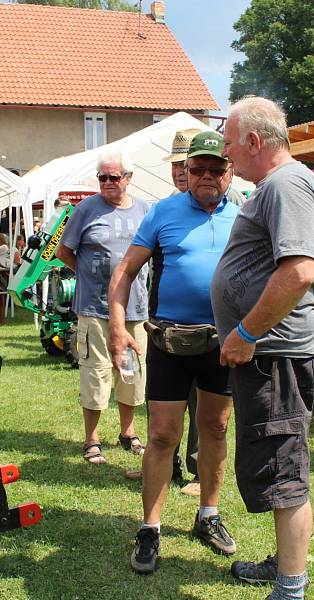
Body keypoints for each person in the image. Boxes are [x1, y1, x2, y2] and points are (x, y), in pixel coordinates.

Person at [211, 97, 314, 600]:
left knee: (285, 471)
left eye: (230, 143)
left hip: (275, 353)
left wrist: (247, 332)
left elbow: (299, 271)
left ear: (255, 141)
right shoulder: (280, 186)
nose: (226, 155)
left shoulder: (286, 184)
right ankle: (285, 563)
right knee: (279, 465)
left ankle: (290, 587)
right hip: (272, 353)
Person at [111, 131, 240, 574]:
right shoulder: (163, 212)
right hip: (170, 340)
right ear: (185, 172)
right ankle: (150, 528)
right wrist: (116, 325)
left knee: (216, 428)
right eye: (197, 169)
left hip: (222, 343)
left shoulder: (243, 218)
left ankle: (209, 514)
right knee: (164, 435)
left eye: (214, 169)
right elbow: (125, 271)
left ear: (229, 171)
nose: (206, 176)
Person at [56, 150, 149, 465]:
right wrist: (88, 275)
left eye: (114, 177)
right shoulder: (85, 209)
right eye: (102, 177)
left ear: (128, 178)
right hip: (95, 308)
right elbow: (64, 251)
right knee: (95, 373)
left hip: (135, 308)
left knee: (131, 372)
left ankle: (128, 432)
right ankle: (92, 440)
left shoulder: (144, 211)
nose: (107, 183)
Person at [159, 126, 204, 494]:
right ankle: (167, 463)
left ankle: (200, 471)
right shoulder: (166, 206)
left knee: (203, 404)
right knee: (168, 401)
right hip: (166, 324)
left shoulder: (227, 201)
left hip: (207, 326)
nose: (179, 171)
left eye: (185, 163)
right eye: (175, 164)